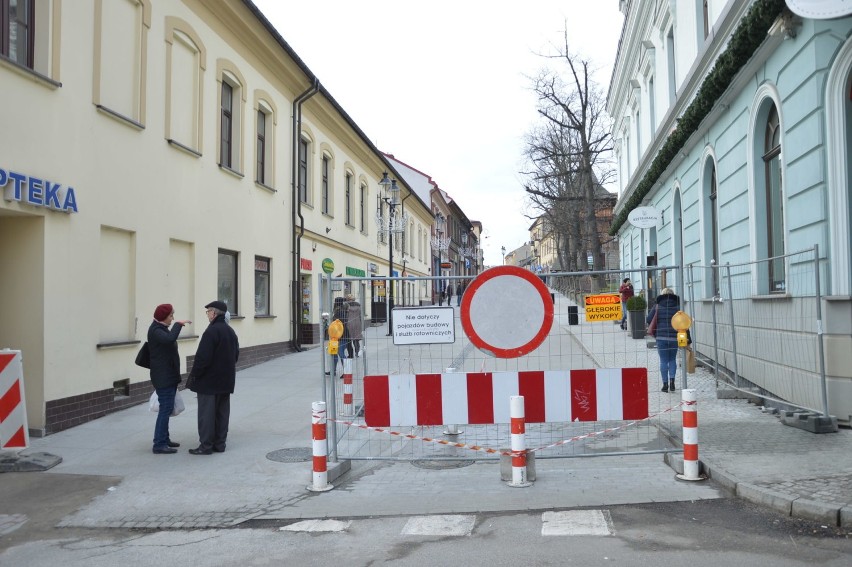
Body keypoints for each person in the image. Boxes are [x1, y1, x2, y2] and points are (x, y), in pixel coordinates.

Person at [187, 301, 239, 455]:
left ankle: (206, 446)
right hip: (226, 380)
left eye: (208, 311)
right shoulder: (230, 331)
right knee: (222, 413)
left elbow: (202, 358)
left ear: (214, 313)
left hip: (209, 382)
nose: (208, 314)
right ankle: (220, 444)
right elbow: (235, 355)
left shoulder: (211, 332)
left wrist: (195, 375)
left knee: (206, 415)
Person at [148, 304, 191, 454]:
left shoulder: (161, 329)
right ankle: (159, 444)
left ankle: (164, 439)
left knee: (166, 408)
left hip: (168, 376)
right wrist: (179, 325)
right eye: (171, 316)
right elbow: (169, 339)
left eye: (173, 316)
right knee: (165, 409)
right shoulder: (156, 330)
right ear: (163, 317)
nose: (172, 318)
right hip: (163, 377)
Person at [646, 288, 682, 393]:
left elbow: (648, 319)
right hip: (674, 337)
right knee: (672, 360)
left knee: (663, 360)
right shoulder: (677, 307)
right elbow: (683, 321)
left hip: (661, 337)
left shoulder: (657, 306)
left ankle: (665, 384)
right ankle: (672, 382)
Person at [330, 296, 349, 375]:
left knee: (340, 353)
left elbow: (341, 324)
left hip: (341, 336)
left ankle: (347, 371)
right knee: (333, 353)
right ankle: (333, 371)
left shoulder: (340, 312)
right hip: (336, 336)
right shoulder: (340, 311)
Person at [345, 293, 364, 358]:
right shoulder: (358, 306)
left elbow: (345, 316)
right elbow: (361, 316)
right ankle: (357, 352)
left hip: (349, 323)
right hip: (357, 323)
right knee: (356, 339)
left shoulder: (346, 306)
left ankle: (350, 354)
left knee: (348, 340)